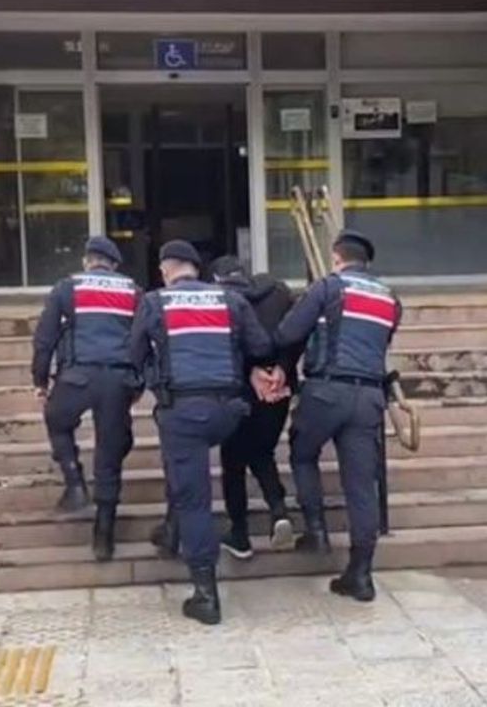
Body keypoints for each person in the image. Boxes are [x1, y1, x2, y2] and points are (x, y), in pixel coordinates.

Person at [129, 240, 274, 625]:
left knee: (194, 498)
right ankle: (172, 530)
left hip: (183, 413)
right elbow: (261, 345)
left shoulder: (154, 302)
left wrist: (150, 379)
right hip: (228, 411)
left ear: (165, 270)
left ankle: (205, 594)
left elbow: (133, 356)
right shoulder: (230, 299)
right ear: (197, 269)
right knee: (187, 470)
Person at [271, 230, 402, 602]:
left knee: (302, 452)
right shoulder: (390, 298)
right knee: (361, 484)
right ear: (367, 262)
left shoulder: (328, 288)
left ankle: (315, 528)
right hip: (370, 397)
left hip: (326, 391)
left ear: (336, 258)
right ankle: (361, 573)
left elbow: (287, 333)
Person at [31, 236, 141, 562]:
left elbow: (45, 339)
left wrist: (40, 381)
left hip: (76, 377)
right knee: (110, 452)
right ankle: (103, 536)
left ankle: (74, 482)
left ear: (86, 261)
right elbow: (145, 339)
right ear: (114, 265)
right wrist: (138, 384)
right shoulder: (133, 291)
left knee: (56, 419)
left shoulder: (67, 288)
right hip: (117, 380)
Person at [208, 255, 299, 559]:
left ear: (217, 279)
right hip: (278, 389)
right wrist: (282, 368)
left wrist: (250, 371)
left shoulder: (218, 299)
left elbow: (223, 344)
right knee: (261, 452)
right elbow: (295, 333)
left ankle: (240, 534)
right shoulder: (279, 293)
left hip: (239, 389)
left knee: (233, 461)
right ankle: (279, 511)